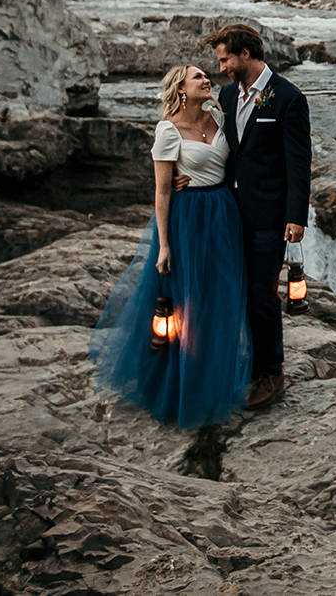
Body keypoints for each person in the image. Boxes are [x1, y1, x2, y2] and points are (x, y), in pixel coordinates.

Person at [89, 64, 251, 428]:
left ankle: (212, 379)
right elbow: (162, 191)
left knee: (217, 298)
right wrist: (164, 245)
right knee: (184, 303)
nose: (207, 79)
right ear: (180, 89)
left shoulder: (219, 117)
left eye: (207, 75)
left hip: (223, 215)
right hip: (188, 219)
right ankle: (179, 387)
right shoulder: (168, 131)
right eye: (198, 77)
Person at [205, 22, 312, 409]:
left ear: (245, 54)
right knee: (237, 291)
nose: (222, 68)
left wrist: (296, 217)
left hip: (270, 216)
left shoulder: (288, 98)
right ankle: (247, 365)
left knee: (262, 295)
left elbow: (299, 163)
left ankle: (272, 372)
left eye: (225, 59)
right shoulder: (228, 94)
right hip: (231, 213)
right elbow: (222, 148)